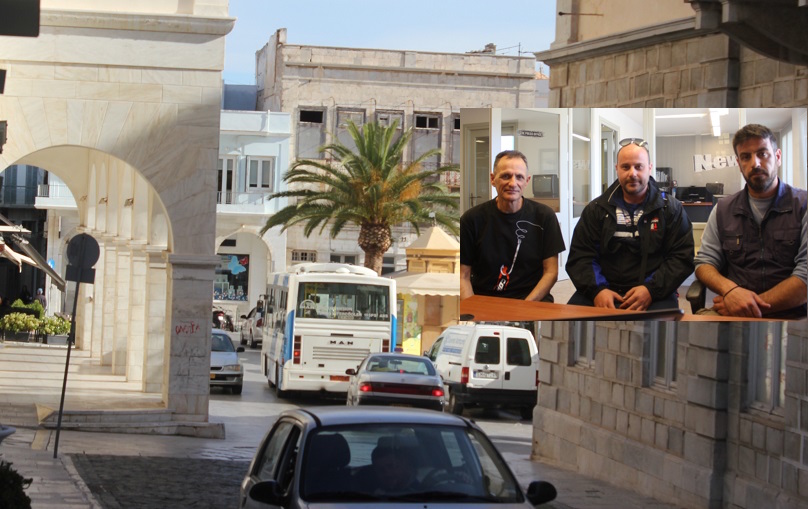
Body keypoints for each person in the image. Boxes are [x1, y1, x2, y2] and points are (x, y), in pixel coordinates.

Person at [566, 138, 694, 310]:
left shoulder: (670, 209)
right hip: (603, 291)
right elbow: (580, 257)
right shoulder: (596, 209)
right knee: (570, 321)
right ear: (617, 169)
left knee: (663, 326)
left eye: (639, 166)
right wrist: (597, 290)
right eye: (625, 167)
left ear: (649, 168)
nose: (632, 173)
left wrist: (651, 290)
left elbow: (681, 258)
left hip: (654, 293)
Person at [694, 124, 807, 318]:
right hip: (732, 309)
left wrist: (748, 306)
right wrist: (731, 291)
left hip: (791, 313)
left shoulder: (803, 205)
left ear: (778, 157)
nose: (755, 163)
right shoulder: (723, 209)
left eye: (763, 154)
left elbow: (805, 277)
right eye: (746, 157)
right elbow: (704, 262)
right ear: (739, 164)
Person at [460, 150, 566, 301]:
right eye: (506, 176)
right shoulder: (471, 220)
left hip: (532, 300)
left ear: (527, 181)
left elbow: (551, 272)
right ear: (492, 179)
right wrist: (471, 309)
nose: (512, 183)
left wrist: (525, 306)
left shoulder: (545, 217)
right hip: (485, 300)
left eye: (519, 177)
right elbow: (462, 276)